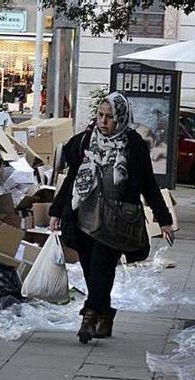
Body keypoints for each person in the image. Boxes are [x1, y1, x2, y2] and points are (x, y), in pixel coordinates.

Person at [49, 92, 175, 344]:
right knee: (90, 269)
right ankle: (105, 314)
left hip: (115, 221)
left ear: (121, 119)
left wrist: (164, 219)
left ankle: (90, 315)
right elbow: (73, 177)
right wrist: (56, 211)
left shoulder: (133, 144)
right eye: (100, 116)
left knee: (101, 267)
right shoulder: (86, 140)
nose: (104, 122)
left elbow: (148, 183)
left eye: (110, 117)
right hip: (83, 216)